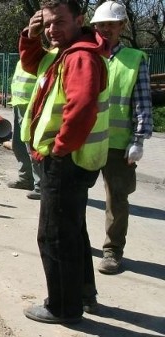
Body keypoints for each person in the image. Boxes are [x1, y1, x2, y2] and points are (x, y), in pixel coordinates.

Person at [19, 0, 110, 324]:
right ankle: (83, 295)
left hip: (66, 161)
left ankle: (62, 306)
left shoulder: (80, 56)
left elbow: (82, 107)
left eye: (59, 22)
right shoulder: (65, 53)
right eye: (46, 24)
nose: (51, 30)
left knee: (54, 235)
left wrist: (58, 149)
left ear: (80, 20)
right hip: (72, 160)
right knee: (73, 230)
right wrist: (30, 37)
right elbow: (34, 65)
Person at [90, 1, 153, 275]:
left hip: (118, 144)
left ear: (122, 27)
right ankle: (75, 242)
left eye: (110, 24)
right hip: (86, 141)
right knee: (72, 195)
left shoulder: (134, 60)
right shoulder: (86, 55)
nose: (105, 29)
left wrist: (138, 140)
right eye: (100, 24)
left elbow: (142, 103)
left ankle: (112, 251)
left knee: (117, 200)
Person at [8, 61, 42, 200]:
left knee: (31, 145)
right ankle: (26, 178)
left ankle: (40, 186)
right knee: (18, 144)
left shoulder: (41, 57)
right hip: (18, 103)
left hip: (31, 106)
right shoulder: (22, 59)